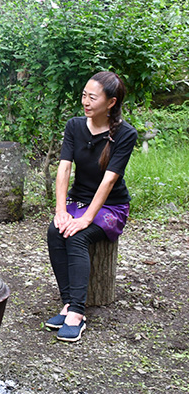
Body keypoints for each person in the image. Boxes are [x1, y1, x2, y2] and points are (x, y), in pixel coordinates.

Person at [46, 71, 137, 342]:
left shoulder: (125, 134)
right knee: (55, 231)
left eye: (92, 97)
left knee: (77, 236)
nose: (85, 101)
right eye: (84, 95)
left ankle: (77, 312)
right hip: (78, 200)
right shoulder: (75, 126)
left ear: (110, 102)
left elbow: (109, 182)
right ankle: (66, 303)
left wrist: (86, 219)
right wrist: (60, 210)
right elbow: (63, 169)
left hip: (111, 206)